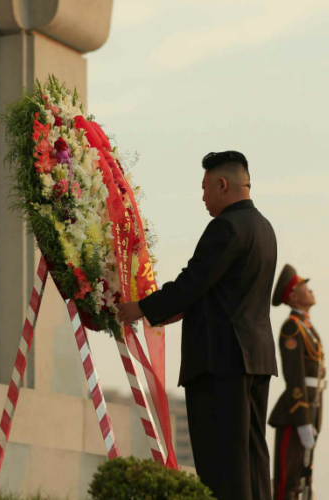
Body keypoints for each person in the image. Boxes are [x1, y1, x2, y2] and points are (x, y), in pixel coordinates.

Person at [117, 150, 278, 500]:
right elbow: (222, 293)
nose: (203, 197)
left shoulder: (226, 226)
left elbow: (193, 282)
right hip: (256, 359)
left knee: (222, 466)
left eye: (205, 188)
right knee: (251, 458)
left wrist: (141, 308)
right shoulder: (264, 228)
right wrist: (179, 310)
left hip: (220, 361)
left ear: (223, 184)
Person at [268, 264, 327, 500]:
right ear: (293, 296)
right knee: (288, 480)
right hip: (295, 413)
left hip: (313, 408)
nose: (309, 290)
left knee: (304, 477)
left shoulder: (307, 328)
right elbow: (294, 376)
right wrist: (302, 419)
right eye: (304, 286)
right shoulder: (292, 327)